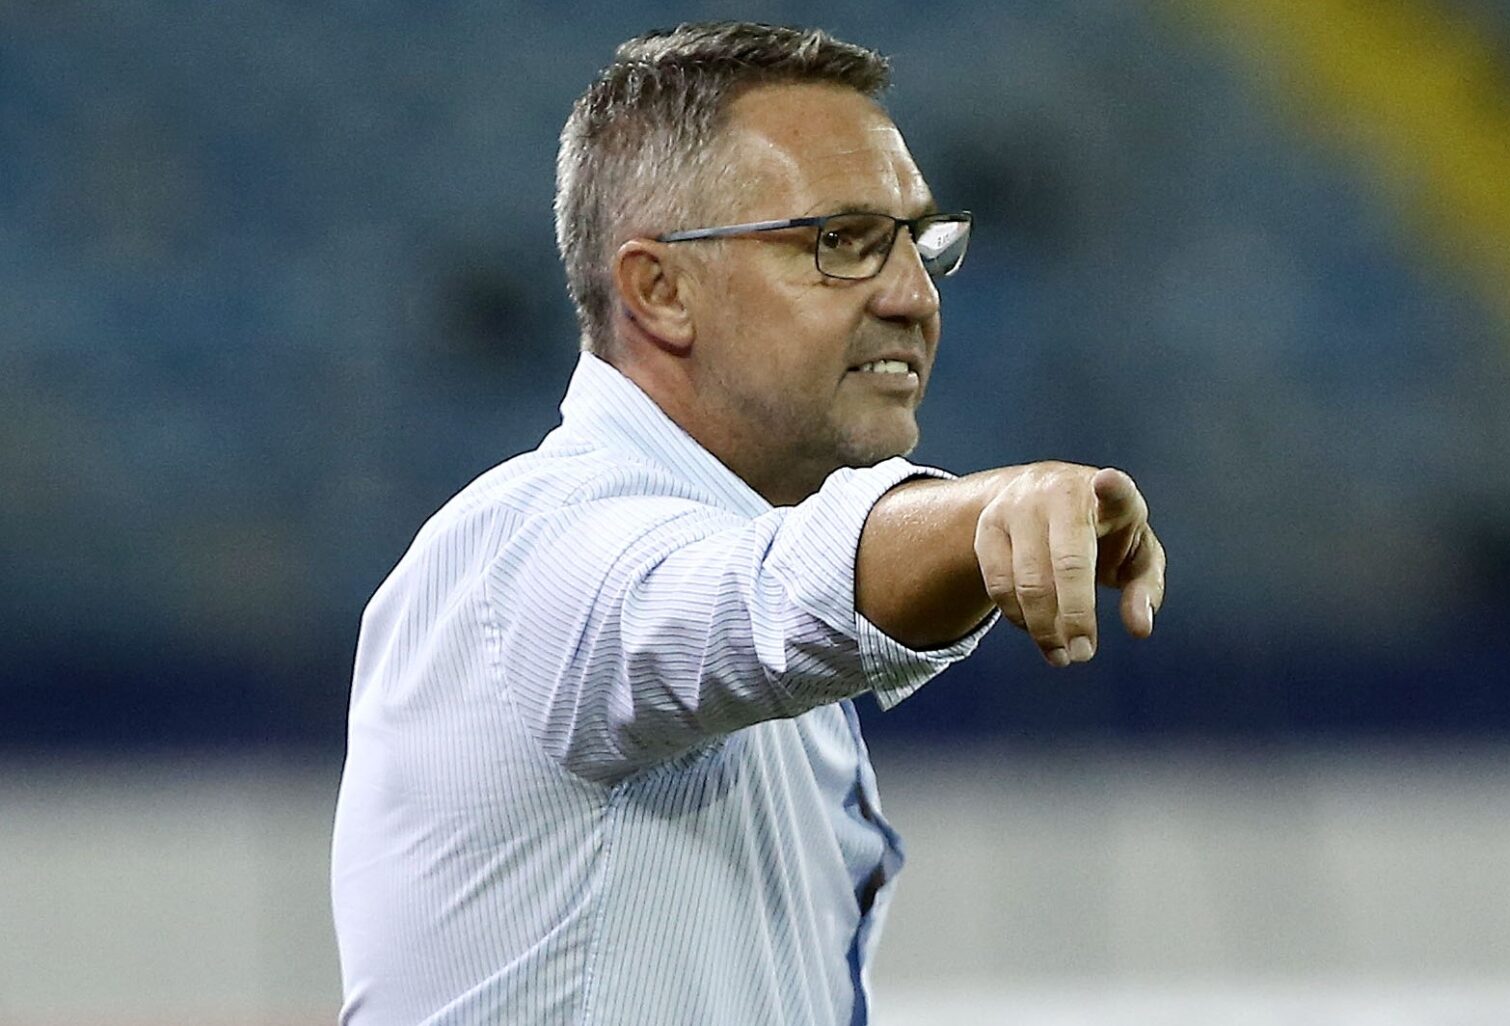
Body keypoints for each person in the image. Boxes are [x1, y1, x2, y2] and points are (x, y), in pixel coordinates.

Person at [330, 21, 1165, 1026]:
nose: (914, 296)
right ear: (660, 291)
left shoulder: (726, 563)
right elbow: (764, 596)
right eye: (841, 242)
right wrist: (986, 512)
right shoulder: (528, 554)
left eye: (920, 241)